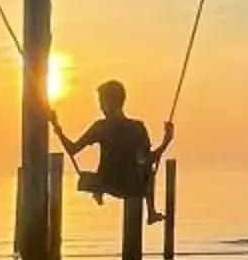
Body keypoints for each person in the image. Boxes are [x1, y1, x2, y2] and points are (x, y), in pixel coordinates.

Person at [56, 80, 170, 208]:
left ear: (110, 103)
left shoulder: (101, 127)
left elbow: (72, 149)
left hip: (107, 183)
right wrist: (166, 142)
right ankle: (151, 211)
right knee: (147, 170)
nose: (100, 108)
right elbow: (147, 160)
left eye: (101, 103)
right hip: (132, 187)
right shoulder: (137, 127)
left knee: (88, 177)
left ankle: (98, 191)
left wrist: (57, 128)